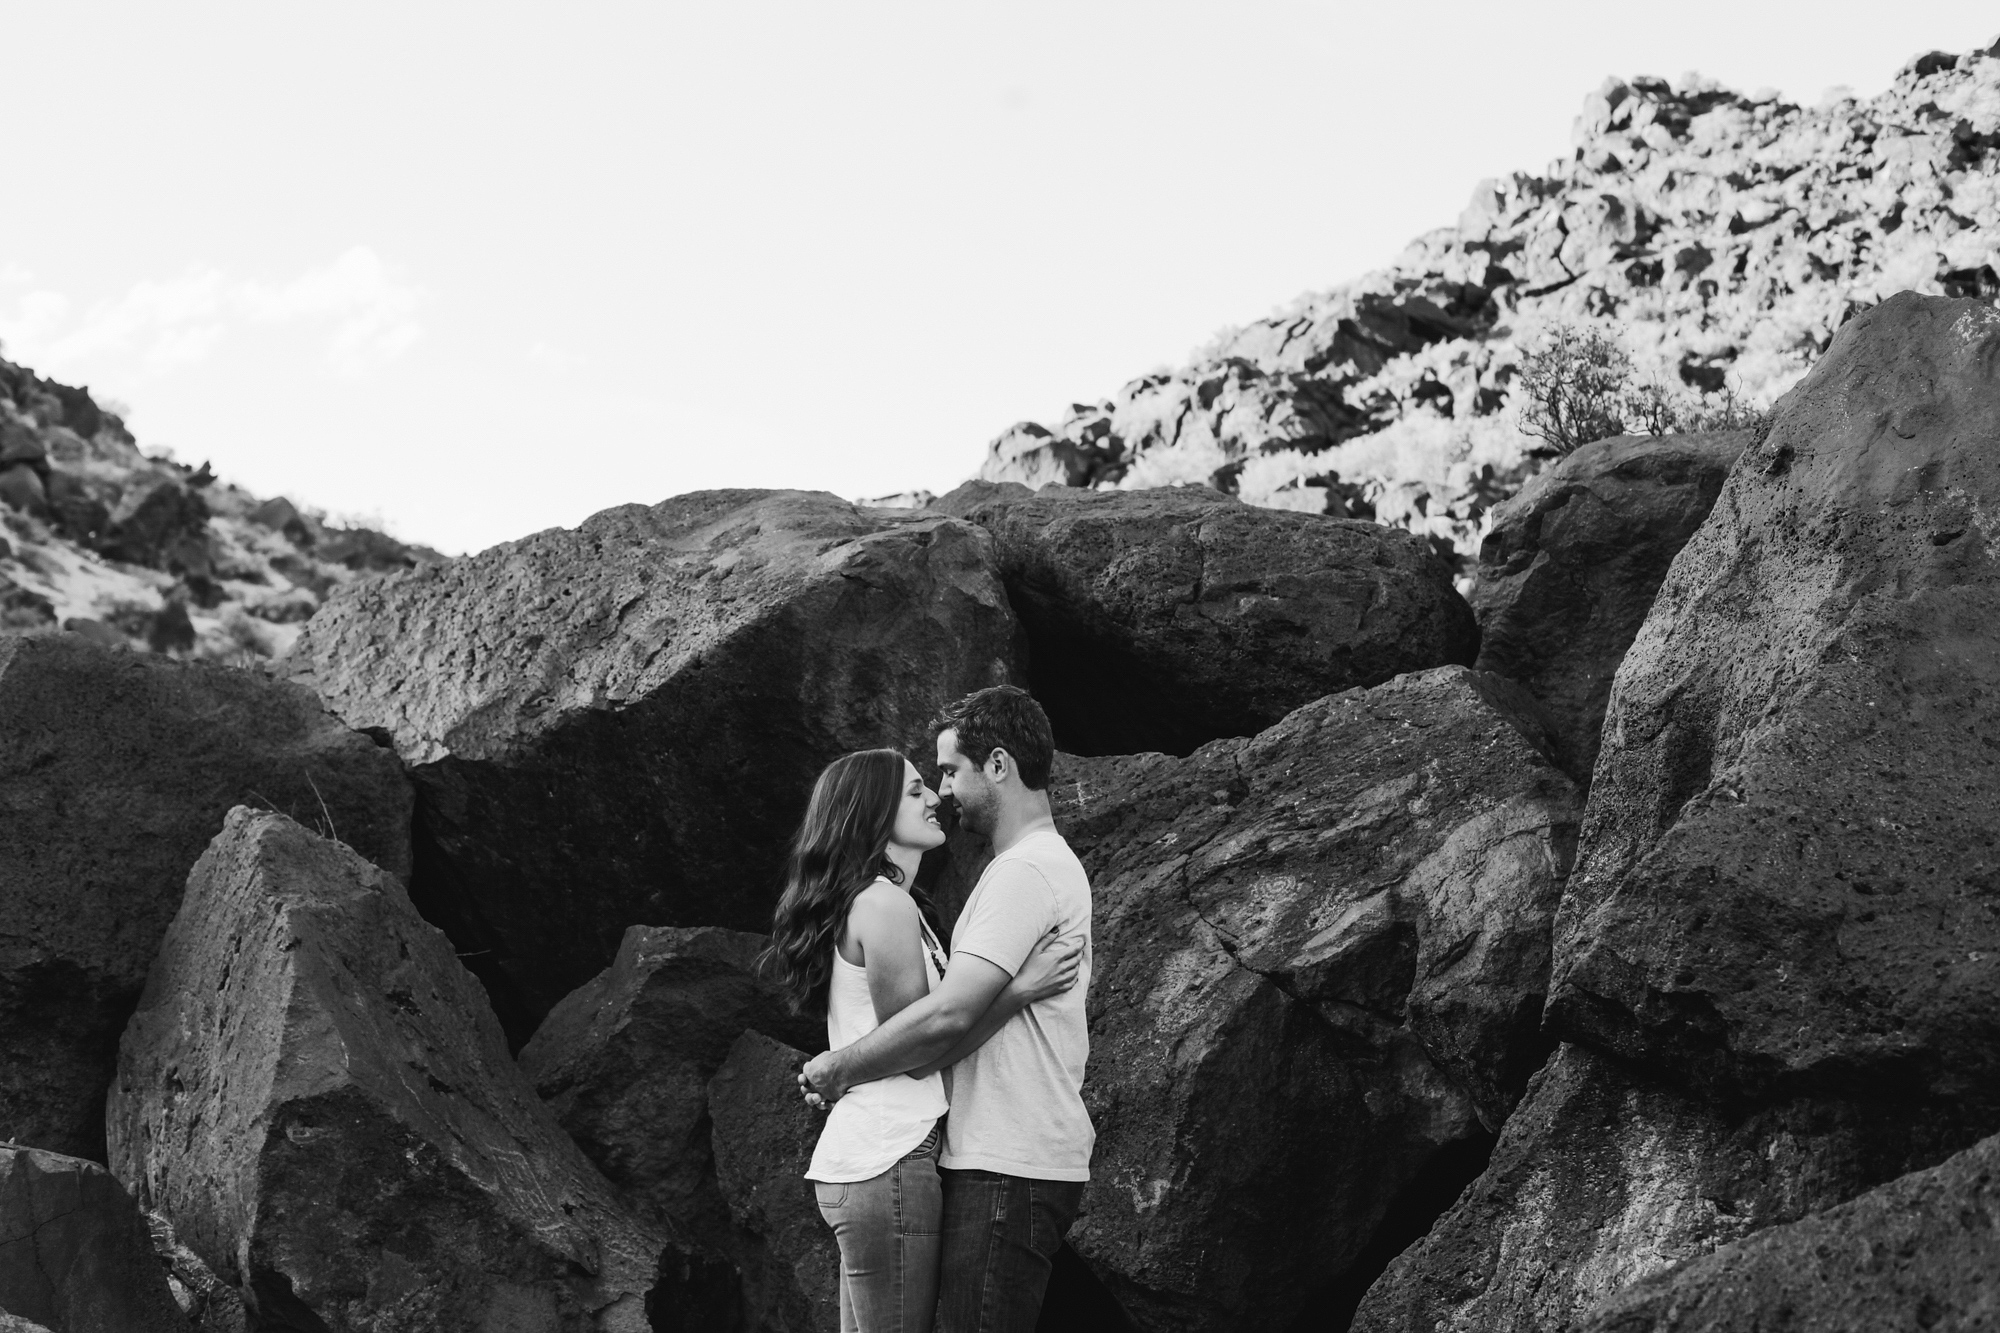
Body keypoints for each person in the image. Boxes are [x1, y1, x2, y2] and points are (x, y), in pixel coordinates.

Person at [802, 687, 1095, 1333]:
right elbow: (928, 1035)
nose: (940, 792)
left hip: (998, 1160)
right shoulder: (898, 901)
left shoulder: (1022, 872)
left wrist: (838, 1067)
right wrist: (1015, 990)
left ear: (998, 766)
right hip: (905, 1155)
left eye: (947, 771)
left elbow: (936, 1026)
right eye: (921, 785)